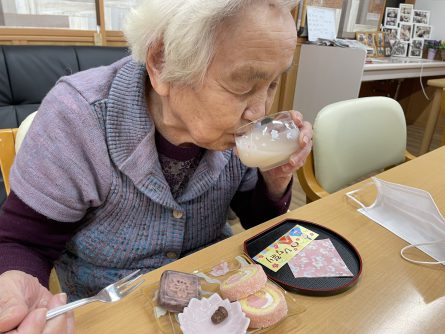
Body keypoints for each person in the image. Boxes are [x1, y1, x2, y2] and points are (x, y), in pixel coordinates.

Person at [0, 0, 312, 332]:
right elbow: (24, 242)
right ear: (162, 63)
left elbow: (258, 225)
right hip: (112, 313)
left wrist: (275, 179)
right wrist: (17, 283)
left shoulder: (236, 134)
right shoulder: (77, 120)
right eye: (244, 85)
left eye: (273, 83)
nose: (260, 110)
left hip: (214, 301)